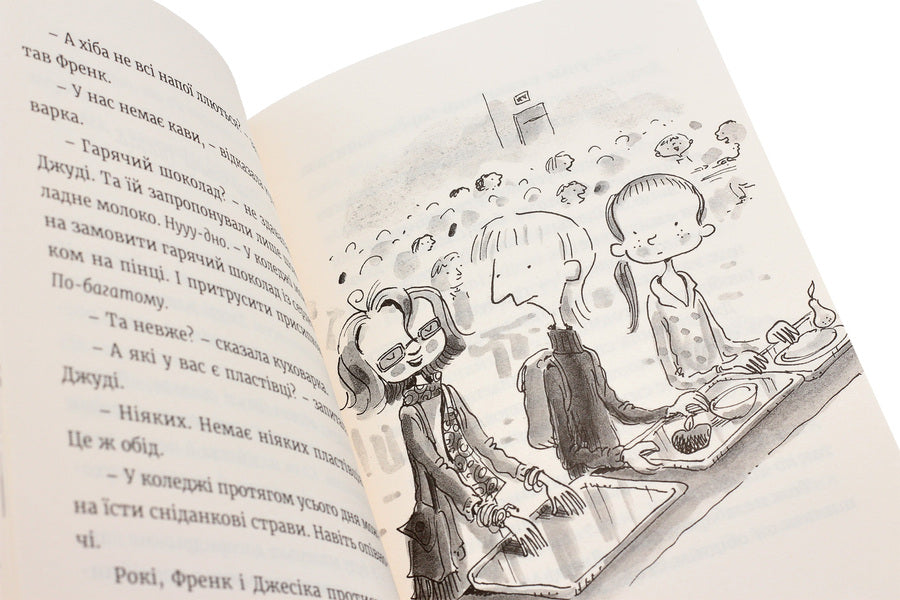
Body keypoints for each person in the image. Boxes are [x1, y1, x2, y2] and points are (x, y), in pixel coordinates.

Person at [337, 285, 584, 600]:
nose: (414, 351)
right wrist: (498, 515)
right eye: (392, 356)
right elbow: (440, 471)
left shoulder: (447, 393)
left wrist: (538, 478)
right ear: (373, 374)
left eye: (425, 332)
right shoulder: (410, 415)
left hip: (482, 512)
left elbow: (486, 448)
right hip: (448, 530)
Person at [471, 211, 699, 478]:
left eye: (511, 271)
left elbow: (619, 409)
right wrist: (621, 456)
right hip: (592, 477)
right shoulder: (550, 370)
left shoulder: (586, 356)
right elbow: (571, 452)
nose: (500, 290)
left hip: (618, 464)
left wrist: (667, 411)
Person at [605, 173, 798, 390]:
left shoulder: (691, 289)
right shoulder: (656, 304)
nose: (655, 238)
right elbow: (676, 379)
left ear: (701, 227)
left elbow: (725, 346)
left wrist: (767, 340)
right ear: (621, 246)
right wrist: (725, 369)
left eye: (676, 222)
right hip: (703, 394)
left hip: (732, 382)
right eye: (639, 232)